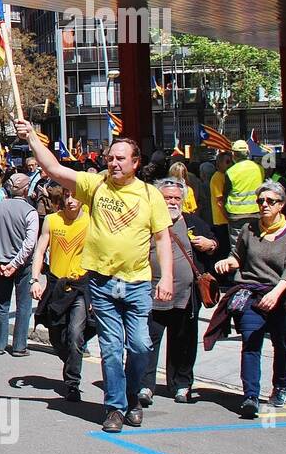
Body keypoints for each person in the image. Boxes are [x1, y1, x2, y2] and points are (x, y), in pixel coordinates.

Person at [17, 120, 173, 433]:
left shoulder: (150, 195)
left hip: (137, 283)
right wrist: (31, 137)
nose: (113, 163)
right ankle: (115, 408)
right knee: (113, 349)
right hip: (101, 283)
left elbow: (162, 239)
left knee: (141, 345)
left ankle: (132, 397)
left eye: (120, 158)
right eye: (110, 158)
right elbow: (53, 168)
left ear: (135, 163)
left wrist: (166, 278)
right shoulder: (95, 184)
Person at [212, 180, 286, 417]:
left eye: (270, 201)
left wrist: (275, 294)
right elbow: (237, 257)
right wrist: (227, 262)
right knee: (251, 342)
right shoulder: (249, 229)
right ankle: (250, 395)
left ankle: (280, 387)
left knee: (282, 345)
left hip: (281, 294)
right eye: (261, 200)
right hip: (250, 293)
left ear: (281, 205)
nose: (264, 205)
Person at [145, 179, 217, 405]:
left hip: (186, 297)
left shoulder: (194, 222)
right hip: (152, 294)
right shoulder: (148, 223)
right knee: (147, 342)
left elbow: (215, 245)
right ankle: (145, 385)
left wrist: (211, 244)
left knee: (183, 342)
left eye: (176, 198)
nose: (172, 202)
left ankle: (181, 384)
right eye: (167, 198)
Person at [30, 184, 91, 401]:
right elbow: (39, 250)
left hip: (80, 286)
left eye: (75, 196)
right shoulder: (52, 220)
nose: (70, 200)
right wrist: (35, 279)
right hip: (56, 285)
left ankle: (72, 382)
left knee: (75, 333)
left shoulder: (91, 221)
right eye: (66, 196)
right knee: (56, 336)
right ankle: (72, 360)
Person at [0, 172, 39, 357]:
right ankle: (19, 346)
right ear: (25, 190)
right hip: (22, 266)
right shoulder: (30, 212)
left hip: (0, 263)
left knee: (1, 304)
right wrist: (15, 264)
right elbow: (30, 243)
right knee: (23, 305)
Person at [222, 140, 264, 250]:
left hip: (236, 215)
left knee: (237, 246)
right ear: (248, 152)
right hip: (256, 212)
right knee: (255, 244)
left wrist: (225, 210)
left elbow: (225, 193)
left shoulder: (230, 172)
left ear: (233, 154)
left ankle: (238, 266)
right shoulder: (259, 168)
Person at [208, 151, 233, 257]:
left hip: (225, 219)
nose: (230, 164)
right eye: (227, 162)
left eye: (231, 161)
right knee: (224, 249)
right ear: (219, 164)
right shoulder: (218, 177)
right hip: (222, 220)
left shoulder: (226, 176)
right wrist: (228, 217)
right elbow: (220, 201)